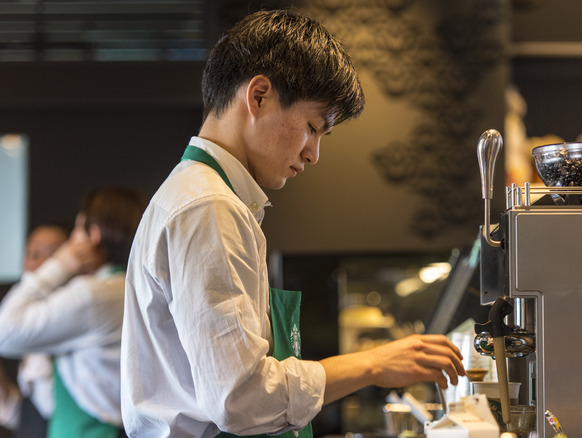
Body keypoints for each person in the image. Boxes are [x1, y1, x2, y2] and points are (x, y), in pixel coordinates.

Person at [120, 9, 466, 438]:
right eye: (312, 127)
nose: (313, 154)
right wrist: (374, 363)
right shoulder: (209, 207)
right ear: (259, 96)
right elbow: (240, 398)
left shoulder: (209, 197)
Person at [0, 187, 147, 438]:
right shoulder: (130, 286)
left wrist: (59, 266)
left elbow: (5, 332)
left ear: (94, 236)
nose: (70, 241)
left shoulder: (93, 295)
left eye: (77, 229)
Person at [0, 224, 68, 438]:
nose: (42, 265)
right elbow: (22, 415)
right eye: (34, 254)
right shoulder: (26, 325)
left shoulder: (76, 320)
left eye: (54, 256)